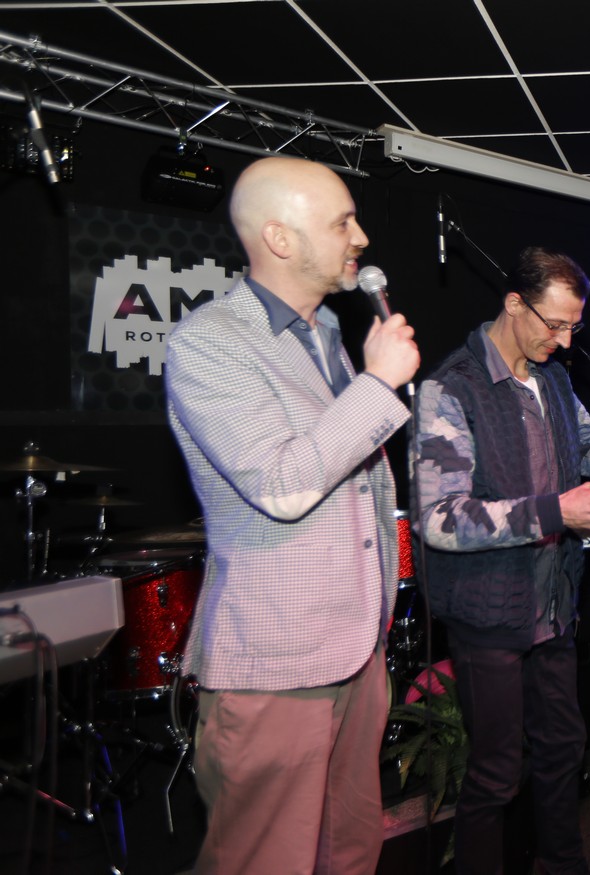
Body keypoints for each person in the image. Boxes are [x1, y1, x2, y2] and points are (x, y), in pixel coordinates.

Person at [164, 156, 420, 873]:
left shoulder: (328, 334)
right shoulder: (211, 342)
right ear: (279, 238)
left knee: (351, 850)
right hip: (278, 663)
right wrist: (378, 385)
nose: (361, 237)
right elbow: (281, 485)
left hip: (356, 649)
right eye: (342, 223)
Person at [413, 246, 590, 875]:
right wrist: (555, 512)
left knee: (563, 751)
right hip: (489, 616)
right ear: (514, 304)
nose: (566, 341)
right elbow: (440, 519)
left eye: (575, 326)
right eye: (556, 324)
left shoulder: (552, 380)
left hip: (553, 610)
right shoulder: (451, 388)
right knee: (495, 774)